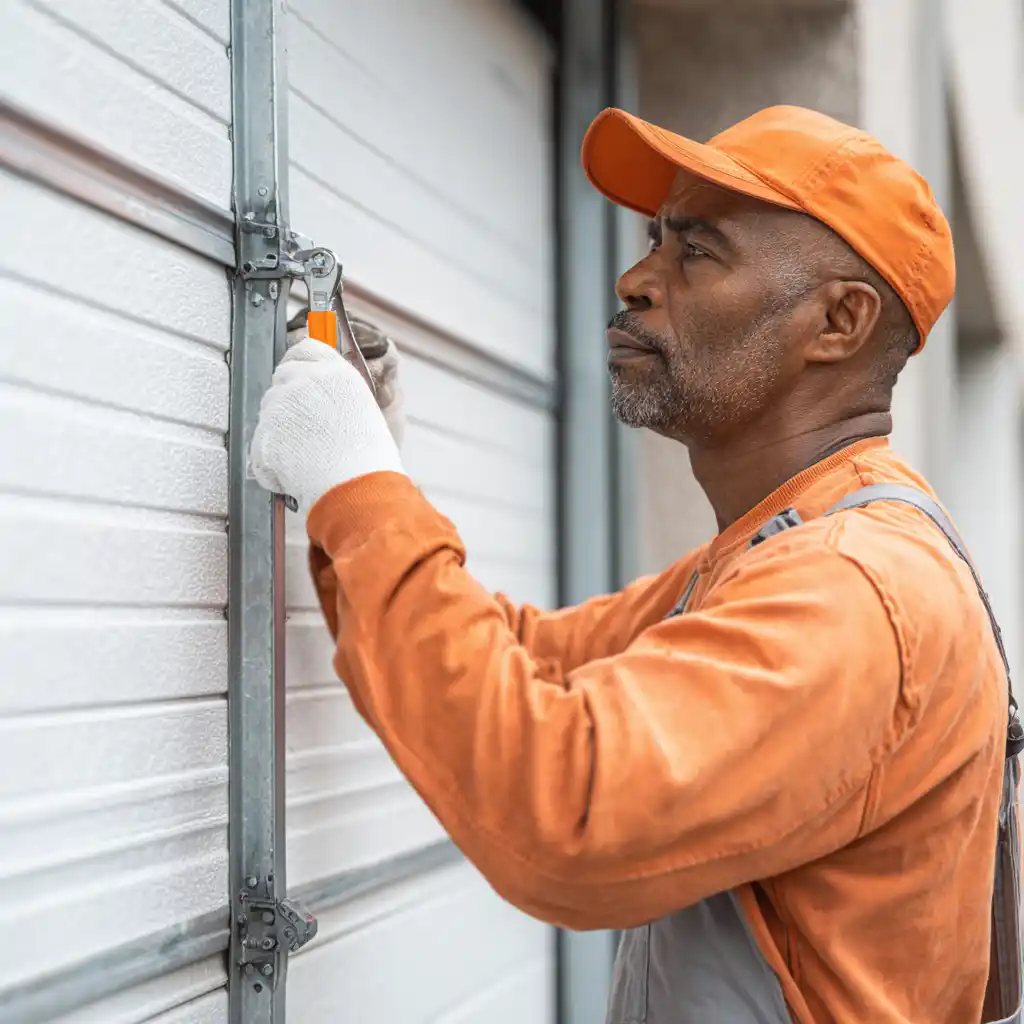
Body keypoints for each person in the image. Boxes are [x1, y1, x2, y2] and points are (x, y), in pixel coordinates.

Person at [250, 105, 1019, 1022]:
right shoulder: (778, 549)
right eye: (656, 240)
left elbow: (563, 813)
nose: (635, 278)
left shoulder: (851, 587)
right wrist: (367, 487)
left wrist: (360, 488)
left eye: (698, 251)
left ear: (840, 321)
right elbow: (524, 658)